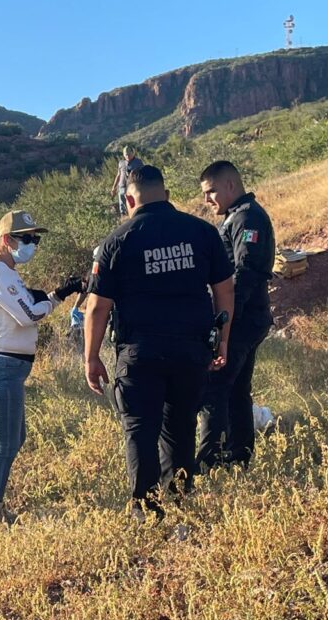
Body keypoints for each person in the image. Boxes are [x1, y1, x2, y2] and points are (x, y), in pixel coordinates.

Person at [85, 165, 235, 522]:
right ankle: (181, 500)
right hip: (191, 349)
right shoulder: (202, 232)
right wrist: (222, 341)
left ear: (129, 198)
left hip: (140, 351)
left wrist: (91, 357)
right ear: (166, 195)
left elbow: (97, 307)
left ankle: (146, 509)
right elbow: (225, 289)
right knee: (181, 425)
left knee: (139, 427)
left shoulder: (116, 241)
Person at [0, 210, 83, 528]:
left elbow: (28, 306)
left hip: (10, 366)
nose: (33, 244)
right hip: (1, 365)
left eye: (35, 239)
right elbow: (29, 315)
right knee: (5, 444)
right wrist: (60, 295)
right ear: (7, 240)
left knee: (14, 439)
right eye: (28, 238)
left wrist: (54, 295)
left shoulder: (7, 273)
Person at [197, 161, 276, 471]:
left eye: (211, 191)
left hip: (243, 319)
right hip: (246, 317)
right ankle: (238, 456)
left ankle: (208, 463)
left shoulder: (248, 218)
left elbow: (247, 272)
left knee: (215, 387)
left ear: (230, 185)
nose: (207, 199)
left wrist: (223, 319)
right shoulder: (236, 217)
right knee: (237, 389)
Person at [111, 146, 144, 216]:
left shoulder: (138, 162)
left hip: (133, 187)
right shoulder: (121, 163)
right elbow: (118, 175)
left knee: (133, 205)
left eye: (129, 154)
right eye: (126, 154)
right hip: (122, 187)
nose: (128, 156)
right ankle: (124, 219)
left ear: (133, 153)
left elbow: (142, 173)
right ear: (123, 155)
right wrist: (114, 187)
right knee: (122, 207)